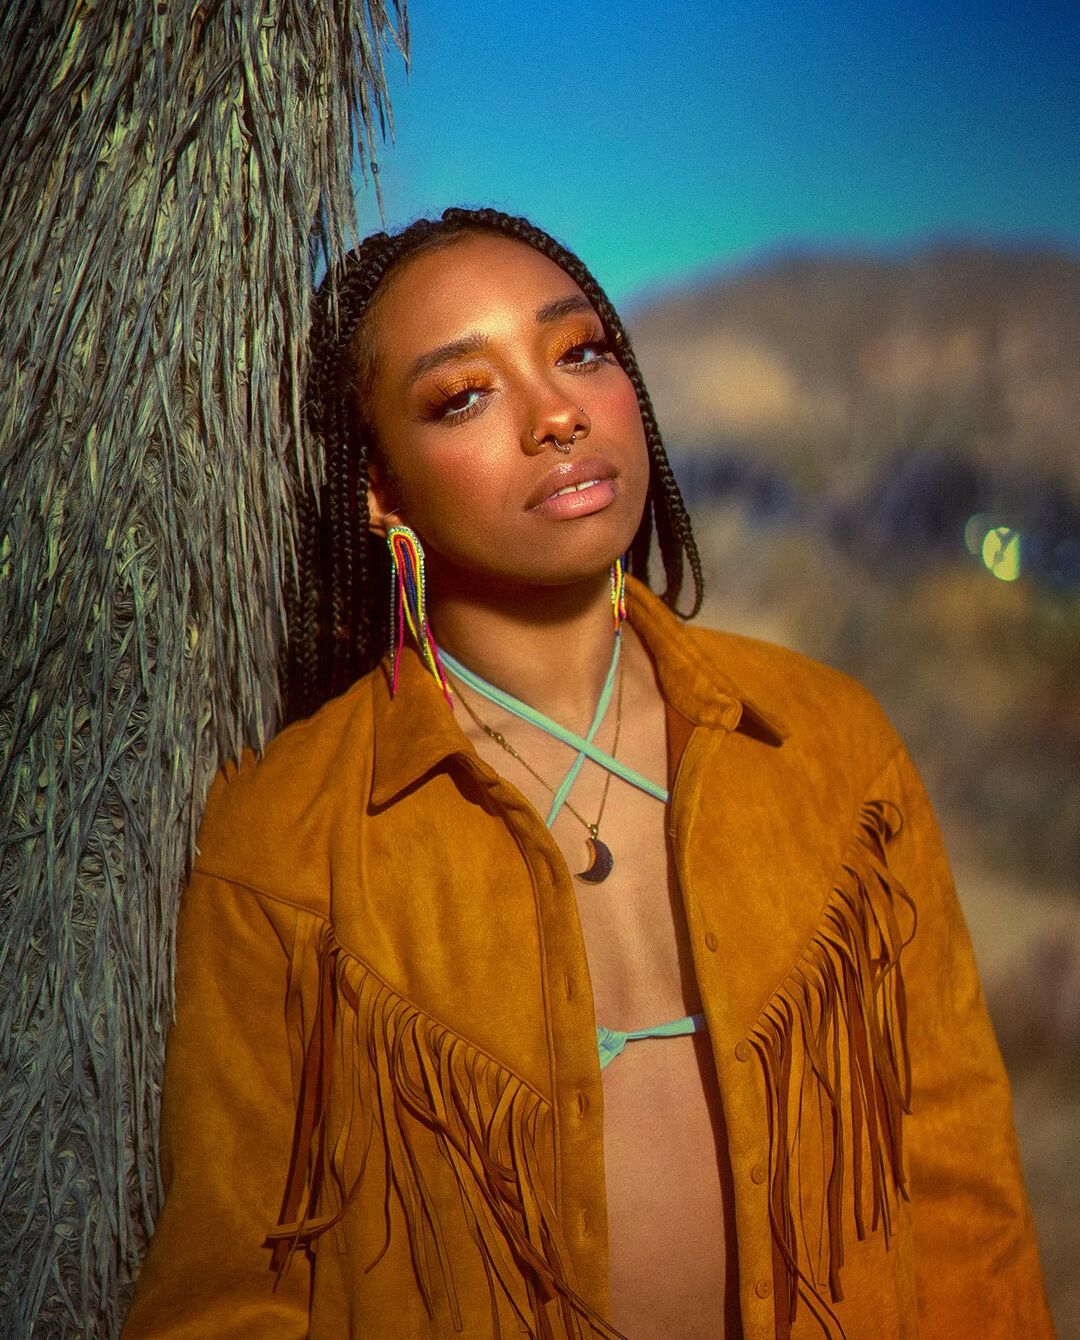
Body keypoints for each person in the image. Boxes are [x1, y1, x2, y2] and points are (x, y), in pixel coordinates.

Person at [122, 208, 1052, 1340]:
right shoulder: (288, 838)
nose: (557, 413)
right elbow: (232, 1293)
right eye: (463, 395)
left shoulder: (825, 745)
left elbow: (960, 1189)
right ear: (377, 487)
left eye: (580, 352)